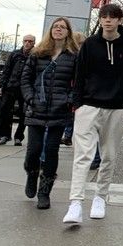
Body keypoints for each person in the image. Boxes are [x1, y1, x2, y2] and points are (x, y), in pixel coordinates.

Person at [63, 3, 123, 225]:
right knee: (82, 156)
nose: (107, 20)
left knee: (108, 155)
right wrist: (77, 104)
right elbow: (79, 75)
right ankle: (75, 203)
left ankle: (100, 197)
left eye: (112, 17)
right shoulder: (89, 44)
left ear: (119, 20)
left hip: (116, 108)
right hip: (88, 105)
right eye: (104, 16)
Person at [21, 17, 79, 209]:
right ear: (50, 30)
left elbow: (79, 83)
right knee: (34, 150)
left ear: (68, 32)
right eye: (56, 27)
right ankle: (31, 173)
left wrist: (68, 100)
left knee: (52, 151)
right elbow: (26, 79)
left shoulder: (73, 56)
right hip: (36, 109)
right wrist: (31, 98)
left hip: (59, 112)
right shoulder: (38, 53)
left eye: (62, 27)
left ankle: (44, 191)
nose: (58, 30)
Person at [0, 34, 35, 145]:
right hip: (11, 87)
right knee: (4, 111)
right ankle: (4, 135)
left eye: (30, 41)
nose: (27, 43)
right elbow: (6, 70)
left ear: (33, 43)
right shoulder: (15, 54)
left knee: (23, 113)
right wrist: (2, 85)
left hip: (25, 89)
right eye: (25, 41)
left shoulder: (35, 56)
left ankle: (18, 136)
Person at [60, 31, 86, 147]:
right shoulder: (74, 57)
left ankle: (68, 136)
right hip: (72, 92)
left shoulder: (75, 57)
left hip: (75, 92)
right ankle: (68, 136)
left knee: (72, 117)